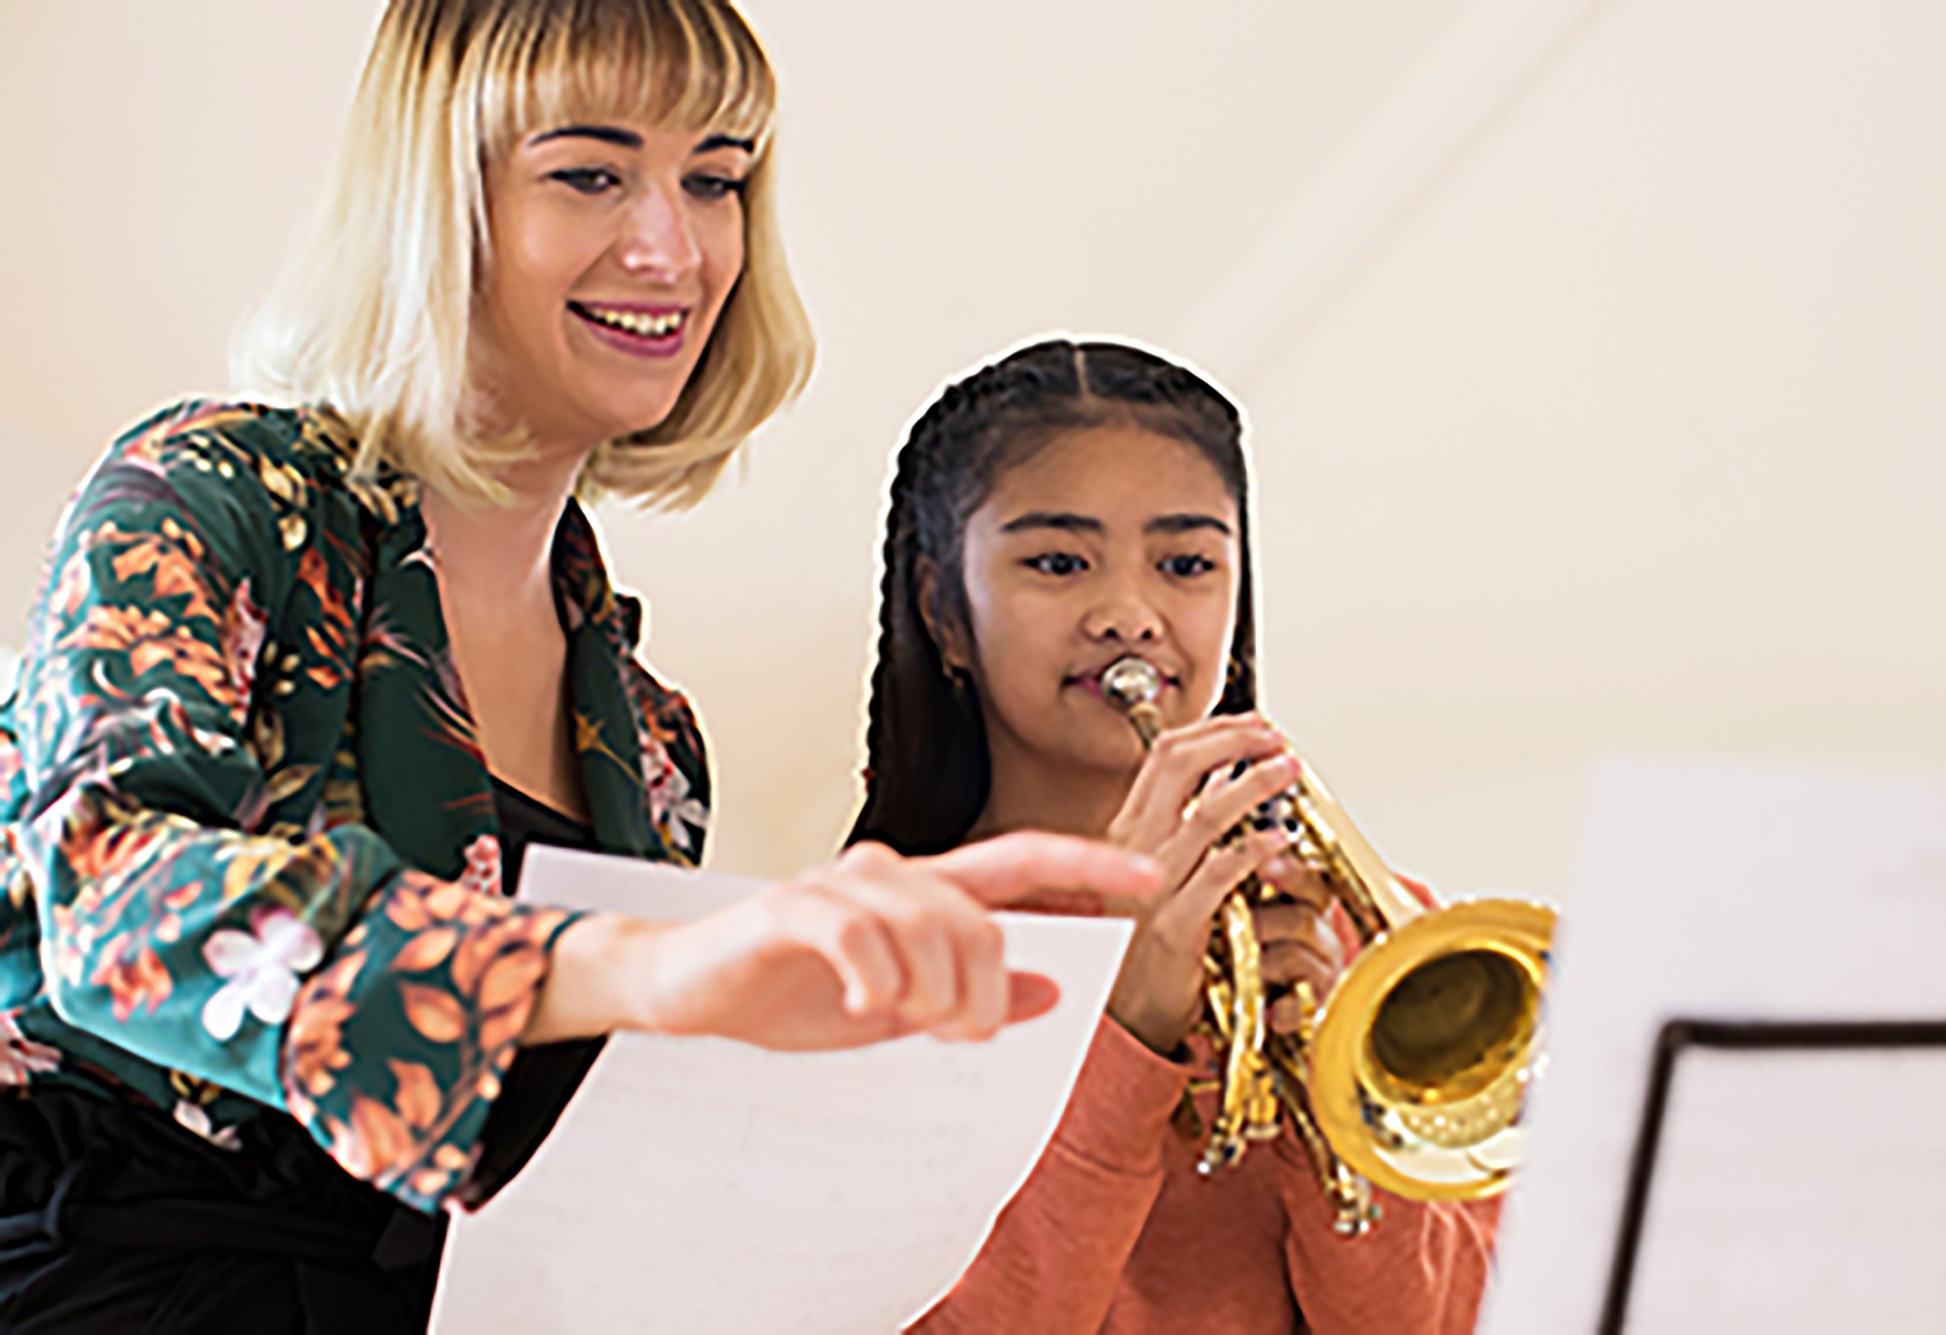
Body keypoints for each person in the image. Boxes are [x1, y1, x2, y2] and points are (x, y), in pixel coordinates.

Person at [0, 6, 1156, 1330]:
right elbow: (108, 894)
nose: (672, 247)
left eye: (714, 179)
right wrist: (639, 964)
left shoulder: (654, 741)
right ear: (440, 203)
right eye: (591, 173)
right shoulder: (213, 494)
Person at [851, 338, 1500, 1333]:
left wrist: (1341, 1113)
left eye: (1187, 564)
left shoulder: (1374, 935)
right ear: (943, 611)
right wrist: (1128, 1032)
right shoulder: (866, 960)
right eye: (1057, 562)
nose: (1128, 615)